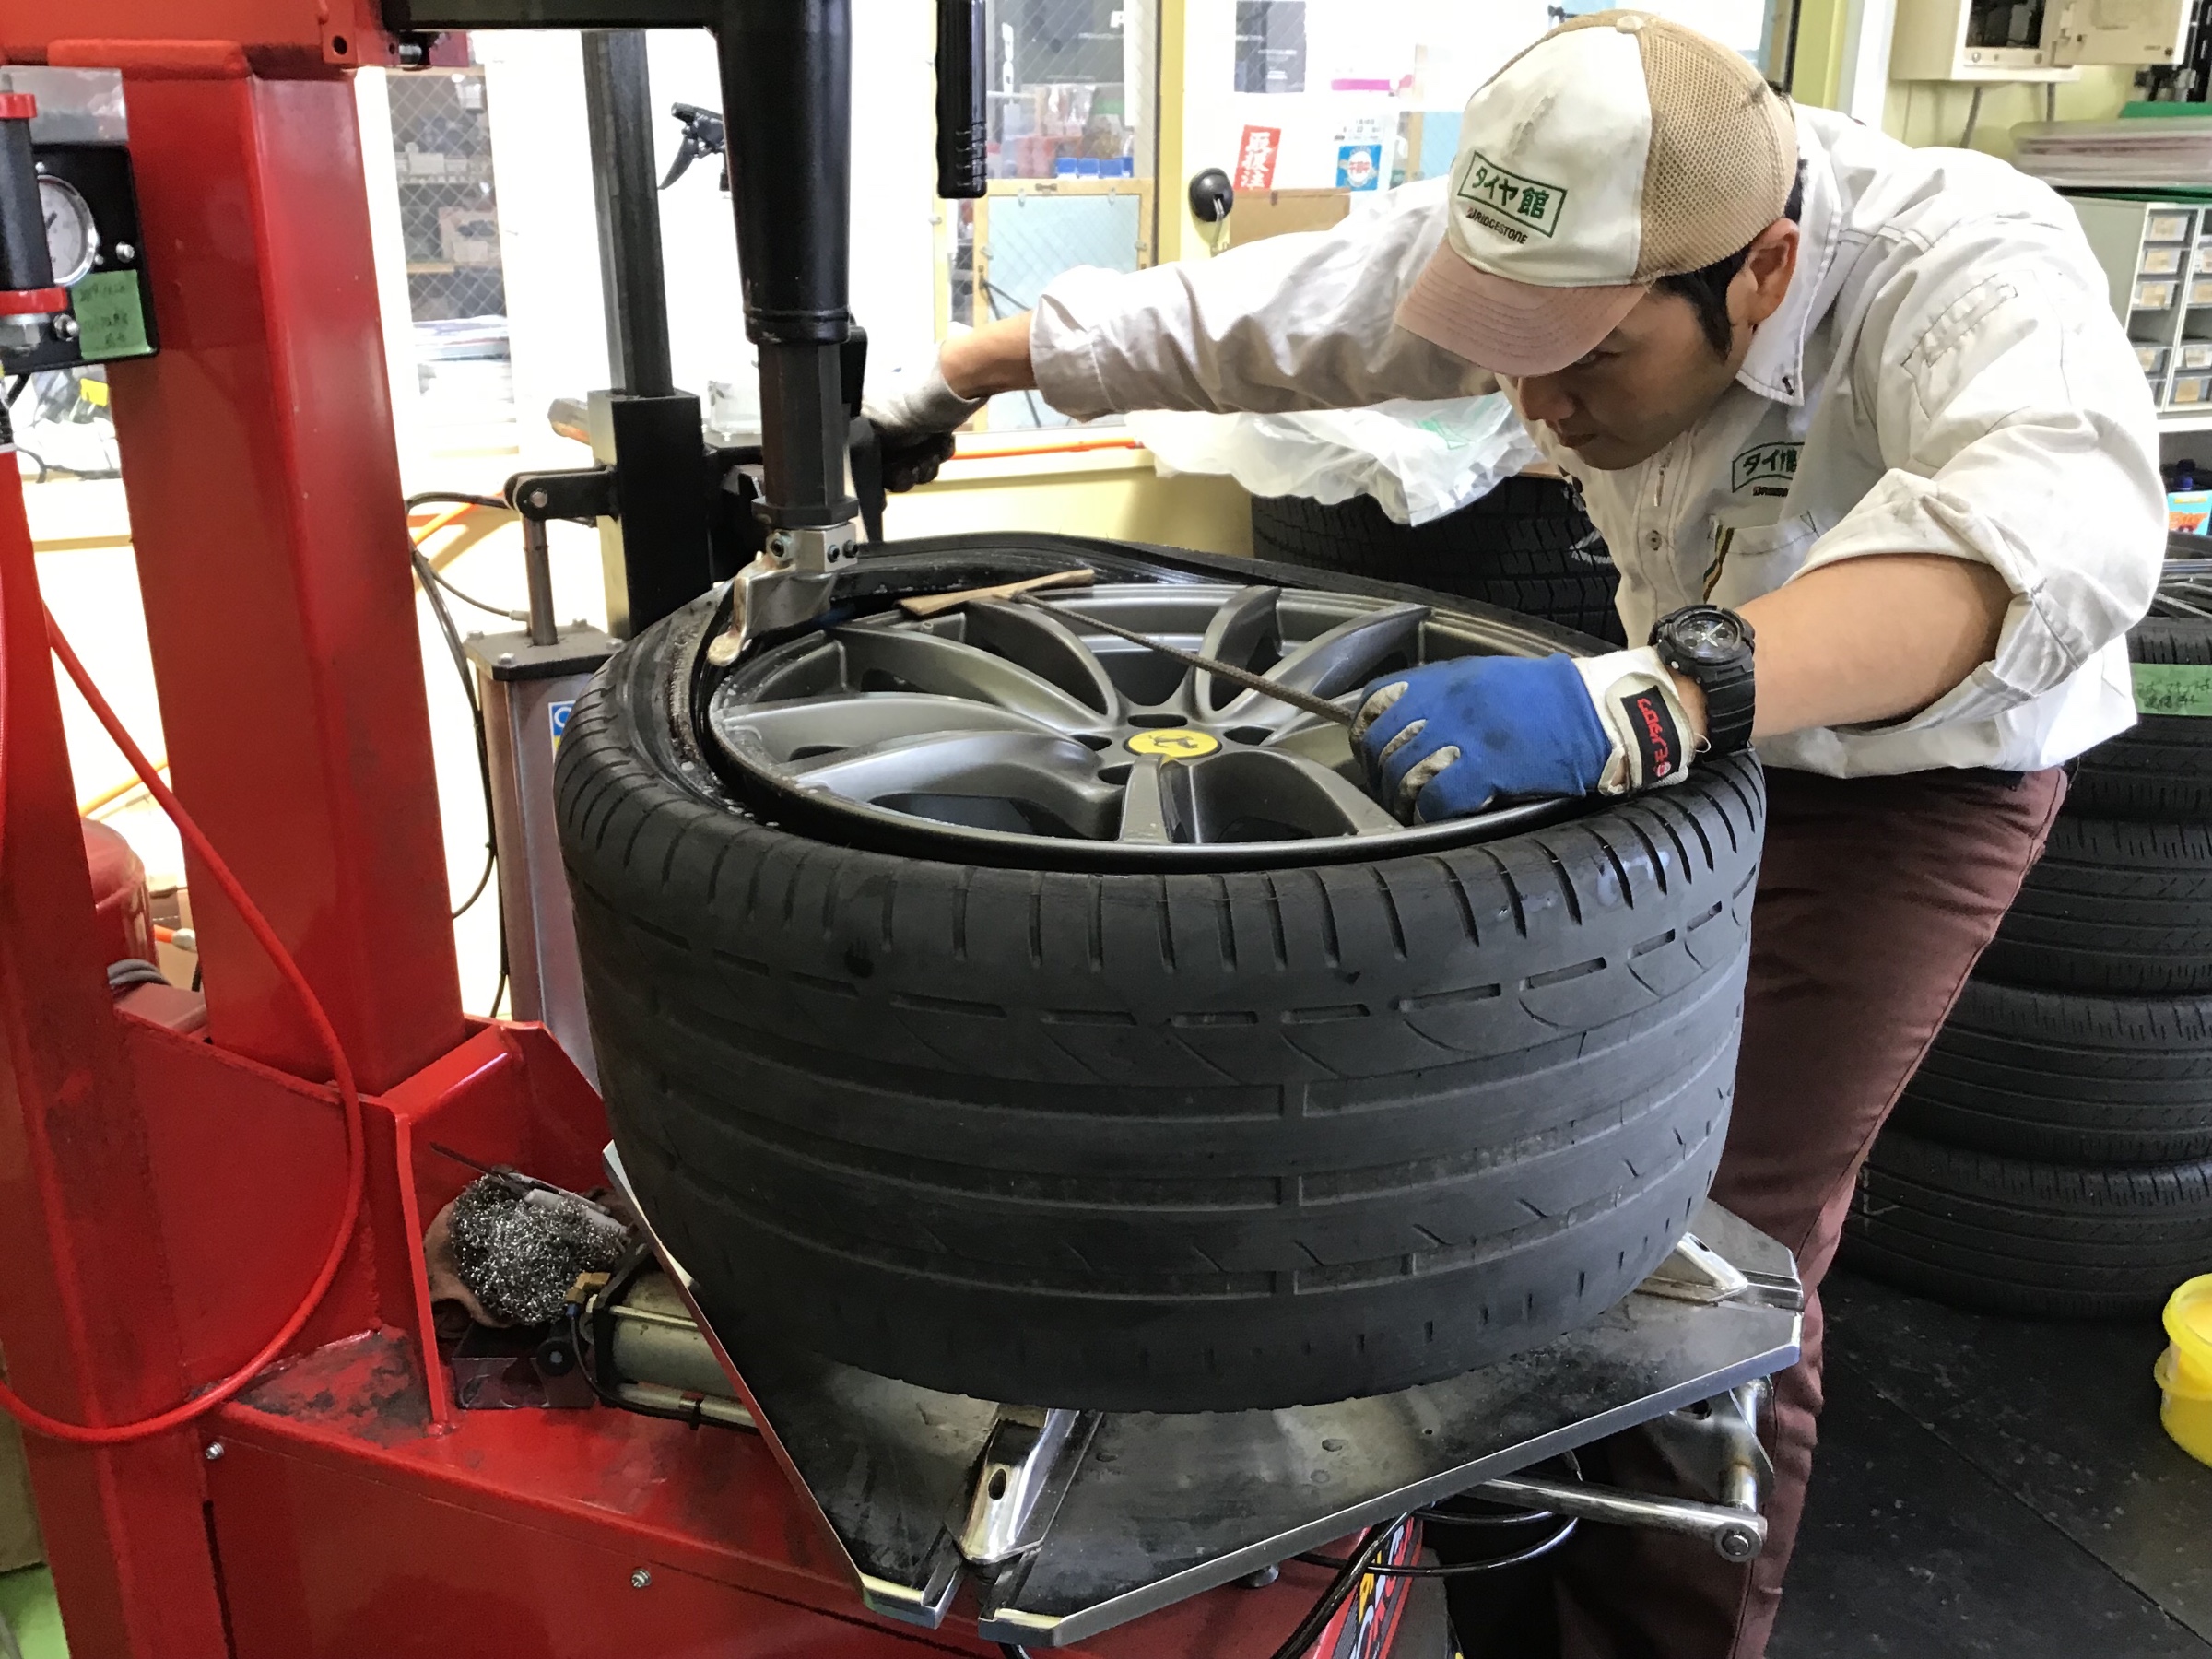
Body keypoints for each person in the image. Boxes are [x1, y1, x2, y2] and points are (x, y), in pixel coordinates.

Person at [867, 11, 2162, 1657]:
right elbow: (1278, 315)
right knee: (1500, 1182)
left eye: (1591, 360)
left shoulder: (1961, 262)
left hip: (1916, 773)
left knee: (1693, 1237)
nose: (1537, 407)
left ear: (1759, 273)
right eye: (1508, 348)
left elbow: (2037, 536)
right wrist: (969, 372)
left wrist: (1646, 707)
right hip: (1671, 724)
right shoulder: (1561, 252)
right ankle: (1500, 1613)